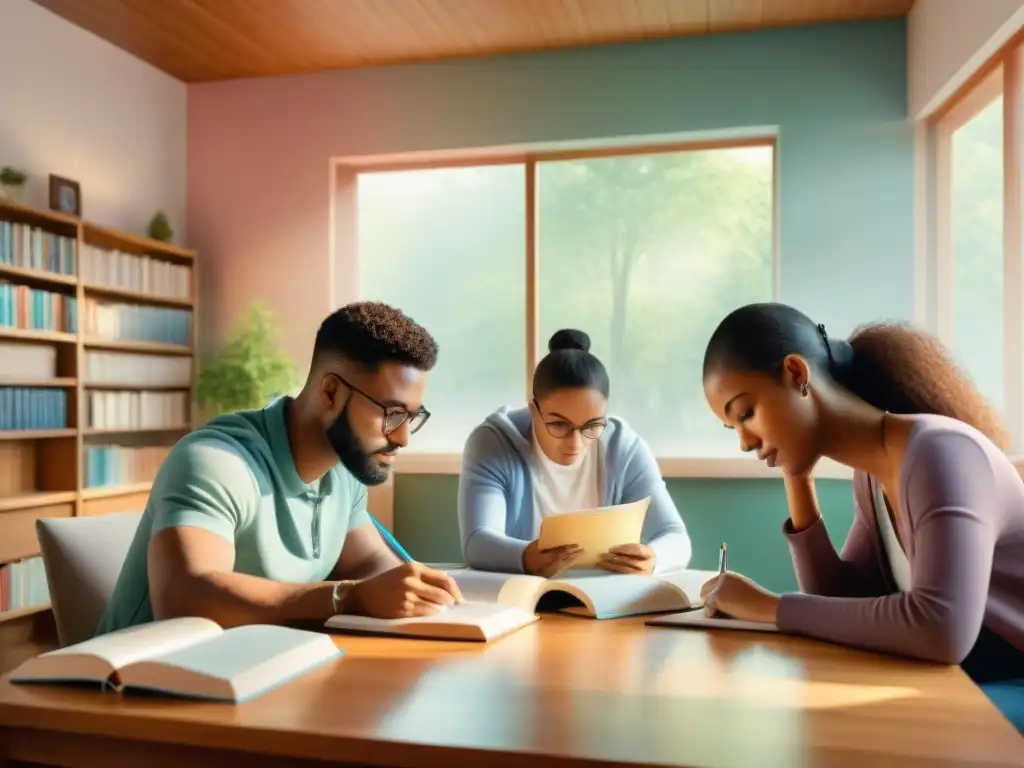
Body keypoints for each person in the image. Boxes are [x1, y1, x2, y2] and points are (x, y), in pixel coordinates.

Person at [699, 301, 1024, 732]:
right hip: (966, 680)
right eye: (733, 428)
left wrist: (767, 606)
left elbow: (941, 629)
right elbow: (837, 598)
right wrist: (797, 478)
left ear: (797, 375)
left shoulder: (941, 453)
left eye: (746, 414)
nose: (743, 442)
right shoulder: (873, 475)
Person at [95, 301, 464, 636]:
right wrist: (349, 598)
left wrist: (416, 592)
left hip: (258, 672)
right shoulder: (217, 461)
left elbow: (367, 560)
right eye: (391, 413)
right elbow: (185, 598)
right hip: (136, 689)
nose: (402, 438)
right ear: (331, 392)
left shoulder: (342, 471)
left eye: (411, 417)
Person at [457, 328, 692, 578]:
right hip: (522, 602)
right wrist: (525, 557)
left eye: (592, 426)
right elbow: (477, 541)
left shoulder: (623, 447)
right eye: (559, 424)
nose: (576, 444)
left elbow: (675, 536)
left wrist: (654, 559)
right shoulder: (494, 443)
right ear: (534, 412)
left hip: (603, 603)